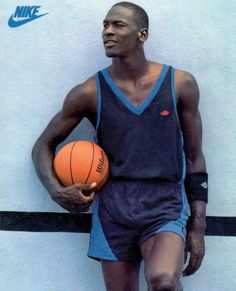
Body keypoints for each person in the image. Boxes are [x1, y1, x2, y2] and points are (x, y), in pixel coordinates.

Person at [32, 2, 208, 290]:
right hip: (113, 207)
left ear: (142, 35)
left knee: (163, 281)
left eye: (118, 25)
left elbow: (194, 158)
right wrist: (56, 191)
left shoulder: (180, 84)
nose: (107, 32)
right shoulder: (89, 92)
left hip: (164, 204)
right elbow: (43, 146)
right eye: (105, 25)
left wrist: (198, 226)